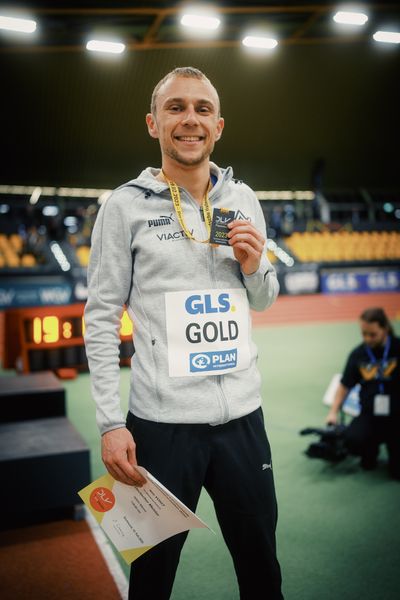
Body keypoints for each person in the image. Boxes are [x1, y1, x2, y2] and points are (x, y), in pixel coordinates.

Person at [84, 66, 284, 599]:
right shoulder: (123, 206)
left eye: (201, 109)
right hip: (159, 428)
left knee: (262, 565)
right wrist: (109, 423)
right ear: (153, 123)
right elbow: (101, 316)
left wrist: (253, 265)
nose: (189, 119)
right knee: (152, 579)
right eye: (176, 108)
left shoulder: (243, 200)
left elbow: (264, 298)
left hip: (242, 421)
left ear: (219, 125)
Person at [326, 307, 400, 480]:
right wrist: (333, 412)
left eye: (372, 334)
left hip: (397, 416)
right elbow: (344, 386)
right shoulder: (358, 354)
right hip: (370, 415)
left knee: (397, 474)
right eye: (363, 333)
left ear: (385, 329)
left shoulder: (398, 348)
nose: (367, 339)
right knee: (355, 443)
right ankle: (370, 450)